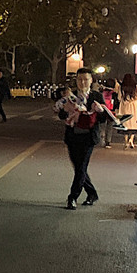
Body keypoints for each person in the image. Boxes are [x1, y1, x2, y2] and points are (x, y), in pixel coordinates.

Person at [57, 68, 105, 210]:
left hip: (88, 137)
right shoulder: (70, 95)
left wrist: (98, 110)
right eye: (79, 79)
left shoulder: (96, 96)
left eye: (85, 79)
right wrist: (65, 110)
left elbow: (103, 118)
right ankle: (92, 193)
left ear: (91, 80)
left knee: (81, 167)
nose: (82, 82)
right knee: (78, 167)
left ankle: (72, 197)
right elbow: (61, 115)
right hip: (72, 136)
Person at [118, 73, 137, 149]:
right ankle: (131, 140)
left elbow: (119, 97)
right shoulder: (135, 87)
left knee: (125, 123)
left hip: (124, 106)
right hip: (133, 106)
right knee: (133, 124)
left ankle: (126, 142)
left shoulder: (121, 87)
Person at [100, 78, 118, 148]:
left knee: (102, 126)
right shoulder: (114, 93)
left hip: (103, 110)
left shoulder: (102, 92)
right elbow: (116, 103)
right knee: (109, 126)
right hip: (111, 111)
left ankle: (102, 140)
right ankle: (108, 142)